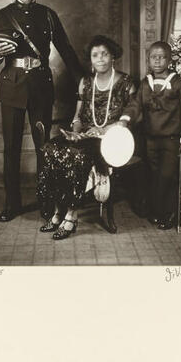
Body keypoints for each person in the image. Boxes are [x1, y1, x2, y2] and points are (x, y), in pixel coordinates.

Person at [0, 0, 83, 222]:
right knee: (11, 148)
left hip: (40, 88)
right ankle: (12, 204)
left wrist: (83, 79)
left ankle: (45, 202)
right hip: (12, 88)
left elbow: (65, 49)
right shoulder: (2, 16)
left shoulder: (48, 15)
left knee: (43, 147)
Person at [37, 35, 136, 240]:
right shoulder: (85, 82)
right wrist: (75, 131)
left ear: (113, 57)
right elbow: (78, 116)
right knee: (51, 148)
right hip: (86, 135)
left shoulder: (126, 83)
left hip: (112, 140)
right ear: (90, 60)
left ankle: (71, 216)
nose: (100, 59)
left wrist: (106, 129)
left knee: (76, 154)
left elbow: (133, 116)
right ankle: (58, 211)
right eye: (95, 55)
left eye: (104, 54)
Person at [118, 41, 181, 229]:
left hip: (170, 140)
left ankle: (170, 214)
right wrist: (125, 119)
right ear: (148, 60)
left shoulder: (178, 83)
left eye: (162, 57)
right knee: (154, 175)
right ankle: (158, 211)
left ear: (169, 60)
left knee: (167, 176)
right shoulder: (145, 84)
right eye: (153, 57)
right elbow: (135, 105)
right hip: (151, 140)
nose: (157, 61)